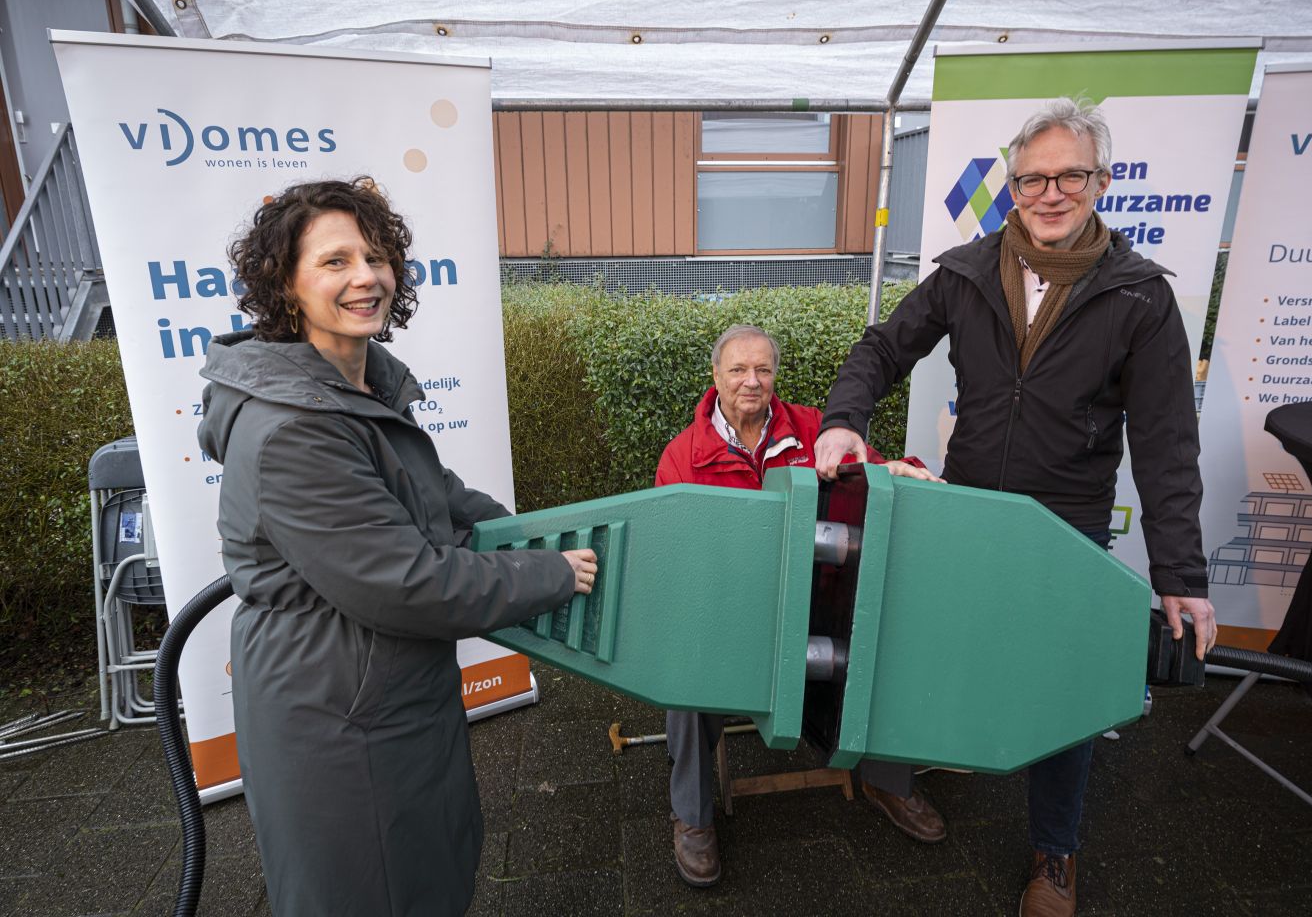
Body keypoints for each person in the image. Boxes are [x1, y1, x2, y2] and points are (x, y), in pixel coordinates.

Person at [813, 98, 1218, 917]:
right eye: (1033, 177)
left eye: (1070, 175)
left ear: (1101, 182)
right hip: (964, 513)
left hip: (1063, 528)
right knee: (917, 651)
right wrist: (842, 421)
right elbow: (884, 347)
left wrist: (1180, 573)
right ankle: (893, 778)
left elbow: (1169, 444)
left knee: (1063, 689)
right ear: (1013, 187)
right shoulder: (967, 272)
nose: (1050, 192)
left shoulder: (1140, 298)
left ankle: (1054, 852)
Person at [197, 177, 597, 916]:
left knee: (425, 874)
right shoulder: (294, 430)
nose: (366, 277)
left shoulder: (362, 388)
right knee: (373, 890)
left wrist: (538, 533)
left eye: (376, 256)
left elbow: (440, 500)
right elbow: (406, 584)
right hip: (338, 717)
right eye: (335, 261)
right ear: (286, 286)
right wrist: (549, 572)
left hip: (386, 691)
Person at [655, 323, 946, 887]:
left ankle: (888, 780)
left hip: (819, 604)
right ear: (716, 377)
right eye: (738, 369)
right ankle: (692, 816)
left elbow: (869, 478)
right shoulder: (684, 455)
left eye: (763, 369)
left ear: (775, 376)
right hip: (730, 617)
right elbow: (674, 552)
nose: (751, 381)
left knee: (883, 640)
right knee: (684, 676)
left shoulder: (814, 430)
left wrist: (898, 471)